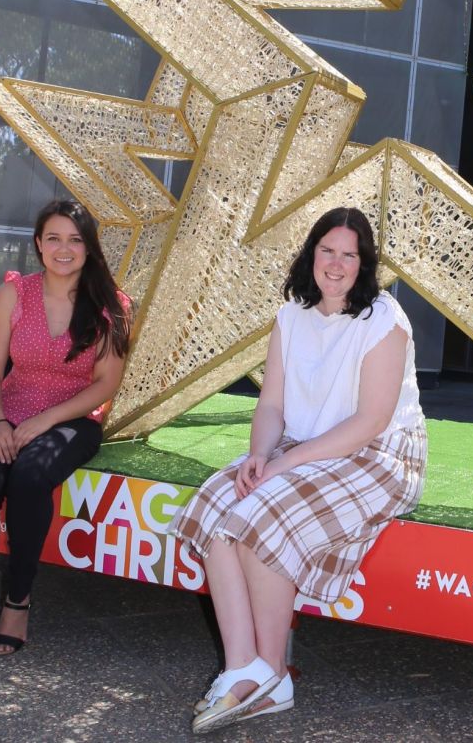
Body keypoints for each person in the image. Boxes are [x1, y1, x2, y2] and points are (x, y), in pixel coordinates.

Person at [170, 206, 426, 732]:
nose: (335, 264)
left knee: (263, 517)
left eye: (348, 255)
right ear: (312, 254)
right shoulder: (291, 314)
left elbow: (371, 420)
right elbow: (271, 405)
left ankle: (273, 677)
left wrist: (286, 464)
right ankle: (244, 667)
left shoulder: (384, 319)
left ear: (364, 264)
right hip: (299, 443)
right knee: (220, 503)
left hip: (378, 453)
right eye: (326, 250)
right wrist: (261, 455)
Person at [0, 199, 132, 667]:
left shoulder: (111, 306)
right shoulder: (12, 295)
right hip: (8, 408)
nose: (63, 249)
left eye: (75, 239)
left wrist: (46, 420)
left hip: (71, 420)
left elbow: (106, 384)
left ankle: (16, 605)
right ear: (39, 245)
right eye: (53, 238)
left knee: (28, 477)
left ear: (89, 248)